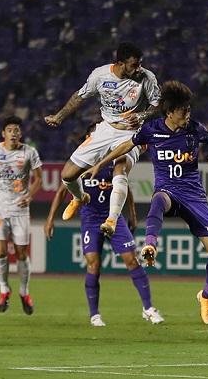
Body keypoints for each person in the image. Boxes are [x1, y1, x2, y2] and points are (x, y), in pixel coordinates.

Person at [83, 81, 208, 325]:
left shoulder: (194, 128)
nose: (187, 115)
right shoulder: (151, 130)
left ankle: (206, 296)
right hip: (168, 190)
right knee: (158, 200)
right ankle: (150, 245)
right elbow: (126, 145)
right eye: (183, 111)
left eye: (188, 110)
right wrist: (98, 164)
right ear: (170, 112)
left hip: (194, 196)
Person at [45, 123, 163, 327]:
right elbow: (61, 191)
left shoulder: (115, 161)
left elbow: (126, 187)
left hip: (113, 219)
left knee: (132, 261)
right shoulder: (81, 163)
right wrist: (49, 220)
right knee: (93, 265)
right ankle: (95, 315)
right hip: (91, 221)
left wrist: (133, 215)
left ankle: (148, 308)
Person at [44, 42, 159, 240]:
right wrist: (59, 117)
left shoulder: (146, 78)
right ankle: (80, 198)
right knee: (68, 175)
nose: (138, 68)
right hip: (106, 128)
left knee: (120, 170)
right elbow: (80, 97)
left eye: (140, 64)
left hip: (131, 133)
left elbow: (158, 106)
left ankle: (111, 220)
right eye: (134, 65)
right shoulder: (100, 75)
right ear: (120, 64)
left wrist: (141, 116)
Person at [0, 116, 42, 315]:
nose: (13, 133)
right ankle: (5, 289)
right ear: (3, 133)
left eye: (16, 130)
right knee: (0, 252)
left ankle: (24, 292)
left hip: (20, 210)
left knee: (22, 253)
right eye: (9, 130)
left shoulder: (29, 152)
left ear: (20, 134)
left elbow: (38, 179)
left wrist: (29, 197)